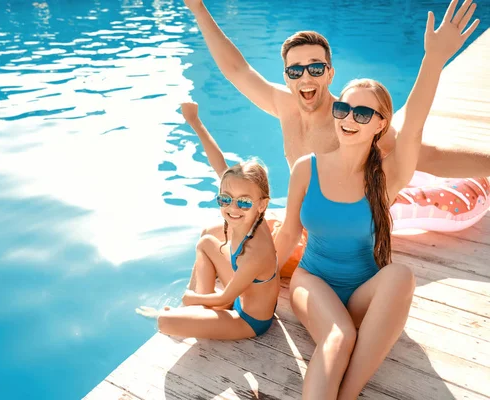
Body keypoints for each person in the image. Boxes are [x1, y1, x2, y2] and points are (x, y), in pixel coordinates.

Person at [272, 2, 479, 398]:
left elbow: (415, 122)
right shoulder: (306, 168)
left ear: (381, 124)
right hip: (312, 284)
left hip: (363, 294)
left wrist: (434, 59)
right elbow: (286, 237)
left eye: (363, 113)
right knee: (339, 337)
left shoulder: (386, 178)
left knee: (400, 275)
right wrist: (250, 282)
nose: (350, 118)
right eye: (344, 108)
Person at [137, 102, 280, 339]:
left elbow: (225, 297)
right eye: (225, 199)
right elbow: (219, 163)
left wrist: (190, 298)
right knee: (205, 242)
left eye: (243, 202)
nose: (233, 208)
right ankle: (198, 311)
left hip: (249, 321)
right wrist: (194, 121)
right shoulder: (253, 218)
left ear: (261, 204)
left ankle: (195, 309)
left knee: (164, 321)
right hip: (240, 297)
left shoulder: (257, 251)